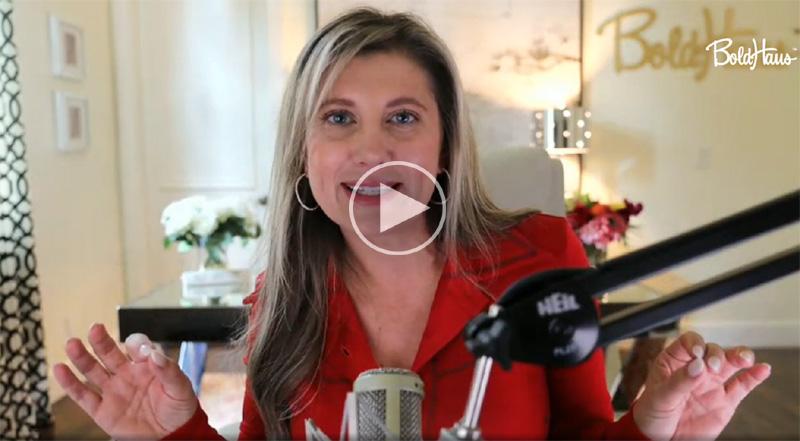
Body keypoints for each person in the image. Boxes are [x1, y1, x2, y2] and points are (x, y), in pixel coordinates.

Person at [53, 8, 771, 441]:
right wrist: (173, 432)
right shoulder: (281, 295)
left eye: (402, 117)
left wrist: (653, 430)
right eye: (339, 118)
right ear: (304, 153)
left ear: (444, 144)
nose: (371, 149)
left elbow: (582, 434)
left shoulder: (539, 257)